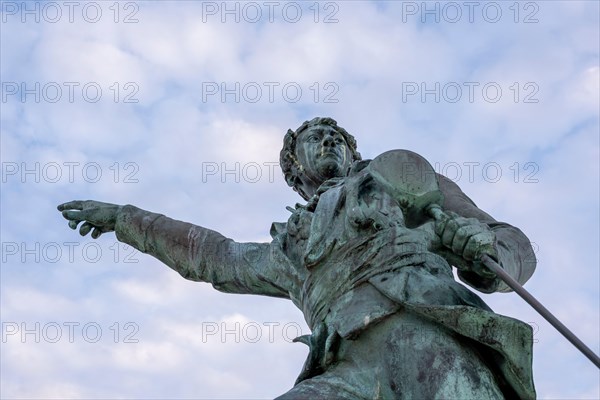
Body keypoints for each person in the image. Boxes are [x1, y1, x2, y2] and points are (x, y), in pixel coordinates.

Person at [58, 117, 537, 399]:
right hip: (344, 365)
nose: (329, 139)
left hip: (428, 335)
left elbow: (513, 245)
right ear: (294, 169)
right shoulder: (289, 249)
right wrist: (126, 218)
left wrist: (479, 248)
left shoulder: (401, 180)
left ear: (354, 154)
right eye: (317, 136)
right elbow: (214, 257)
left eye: (338, 136)